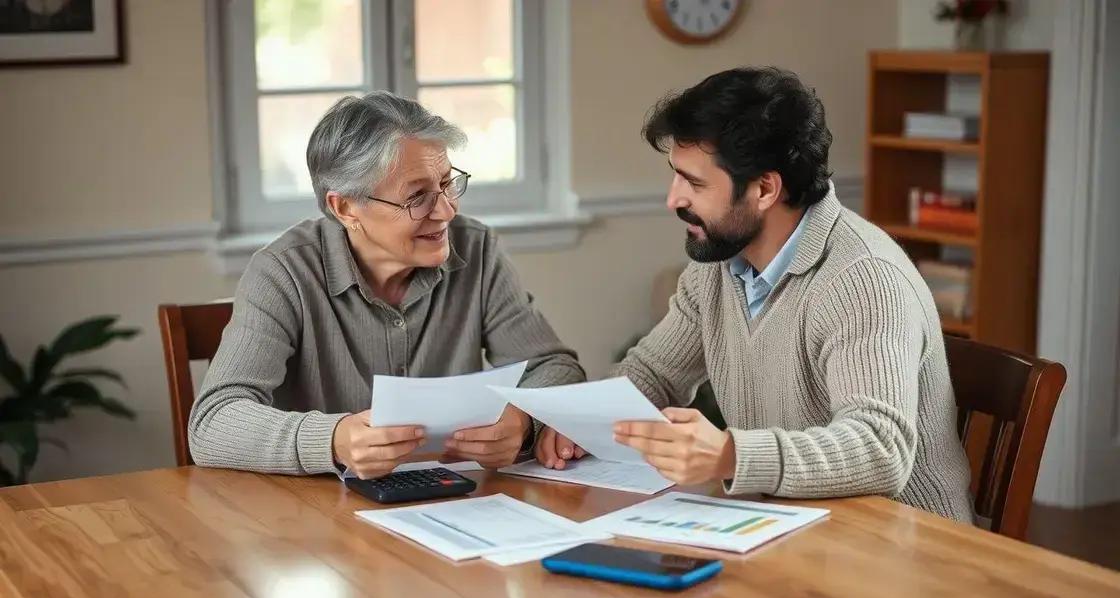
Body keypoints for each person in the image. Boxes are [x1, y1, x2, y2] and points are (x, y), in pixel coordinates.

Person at [536, 67, 973, 522]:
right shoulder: (718, 267)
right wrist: (583, 421)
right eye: (676, 176)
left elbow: (880, 449)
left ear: (765, 189)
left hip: (903, 545)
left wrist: (731, 455)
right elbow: (653, 372)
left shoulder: (863, 279)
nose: (673, 199)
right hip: (790, 526)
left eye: (694, 183)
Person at [191, 91, 585, 479]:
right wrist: (333, 440)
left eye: (447, 183)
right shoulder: (283, 272)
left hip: (455, 499)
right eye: (417, 197)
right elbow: (212, 423)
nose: (446, 211)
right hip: (315, 509)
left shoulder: (477, 249)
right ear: (345, 208)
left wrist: (524, 419)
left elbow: (554, 366)